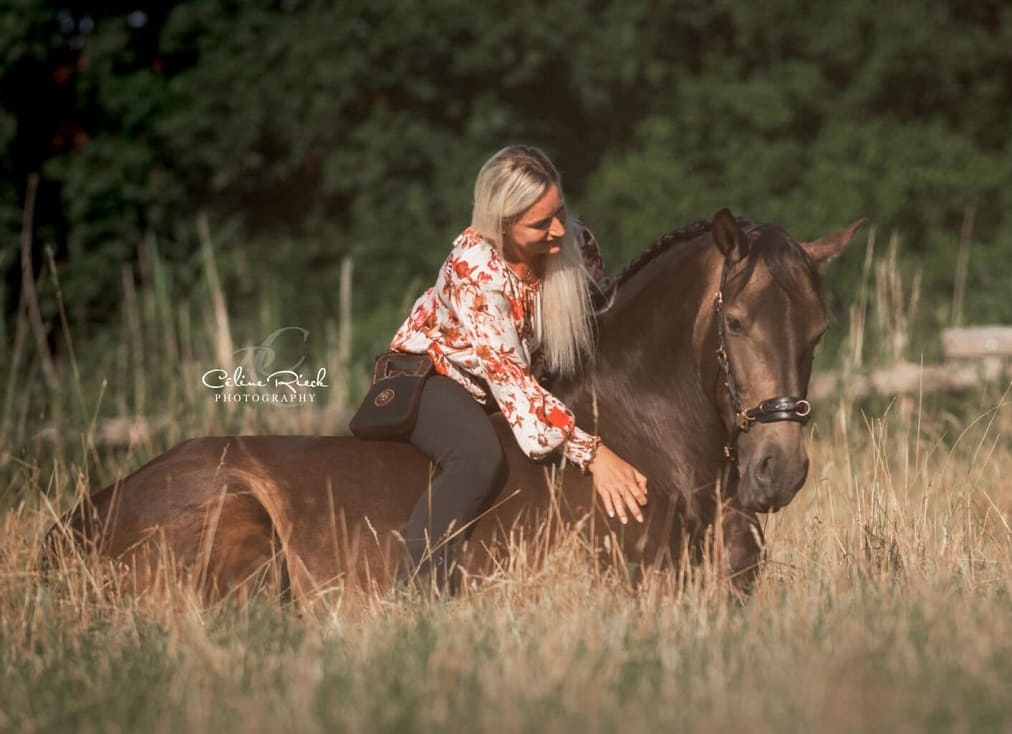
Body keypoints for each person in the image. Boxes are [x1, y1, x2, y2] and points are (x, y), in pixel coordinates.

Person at [390, 144, 648, 590]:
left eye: (559, 212)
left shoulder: (577, 242)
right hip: (439, 374)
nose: (558, 229)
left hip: (523, 376)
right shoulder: (474, 272)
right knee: (476, 456)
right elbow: (514, 387)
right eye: (540, 223)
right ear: (502, 225)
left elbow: (600, 327)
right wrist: (594, 454)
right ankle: (418, 588)